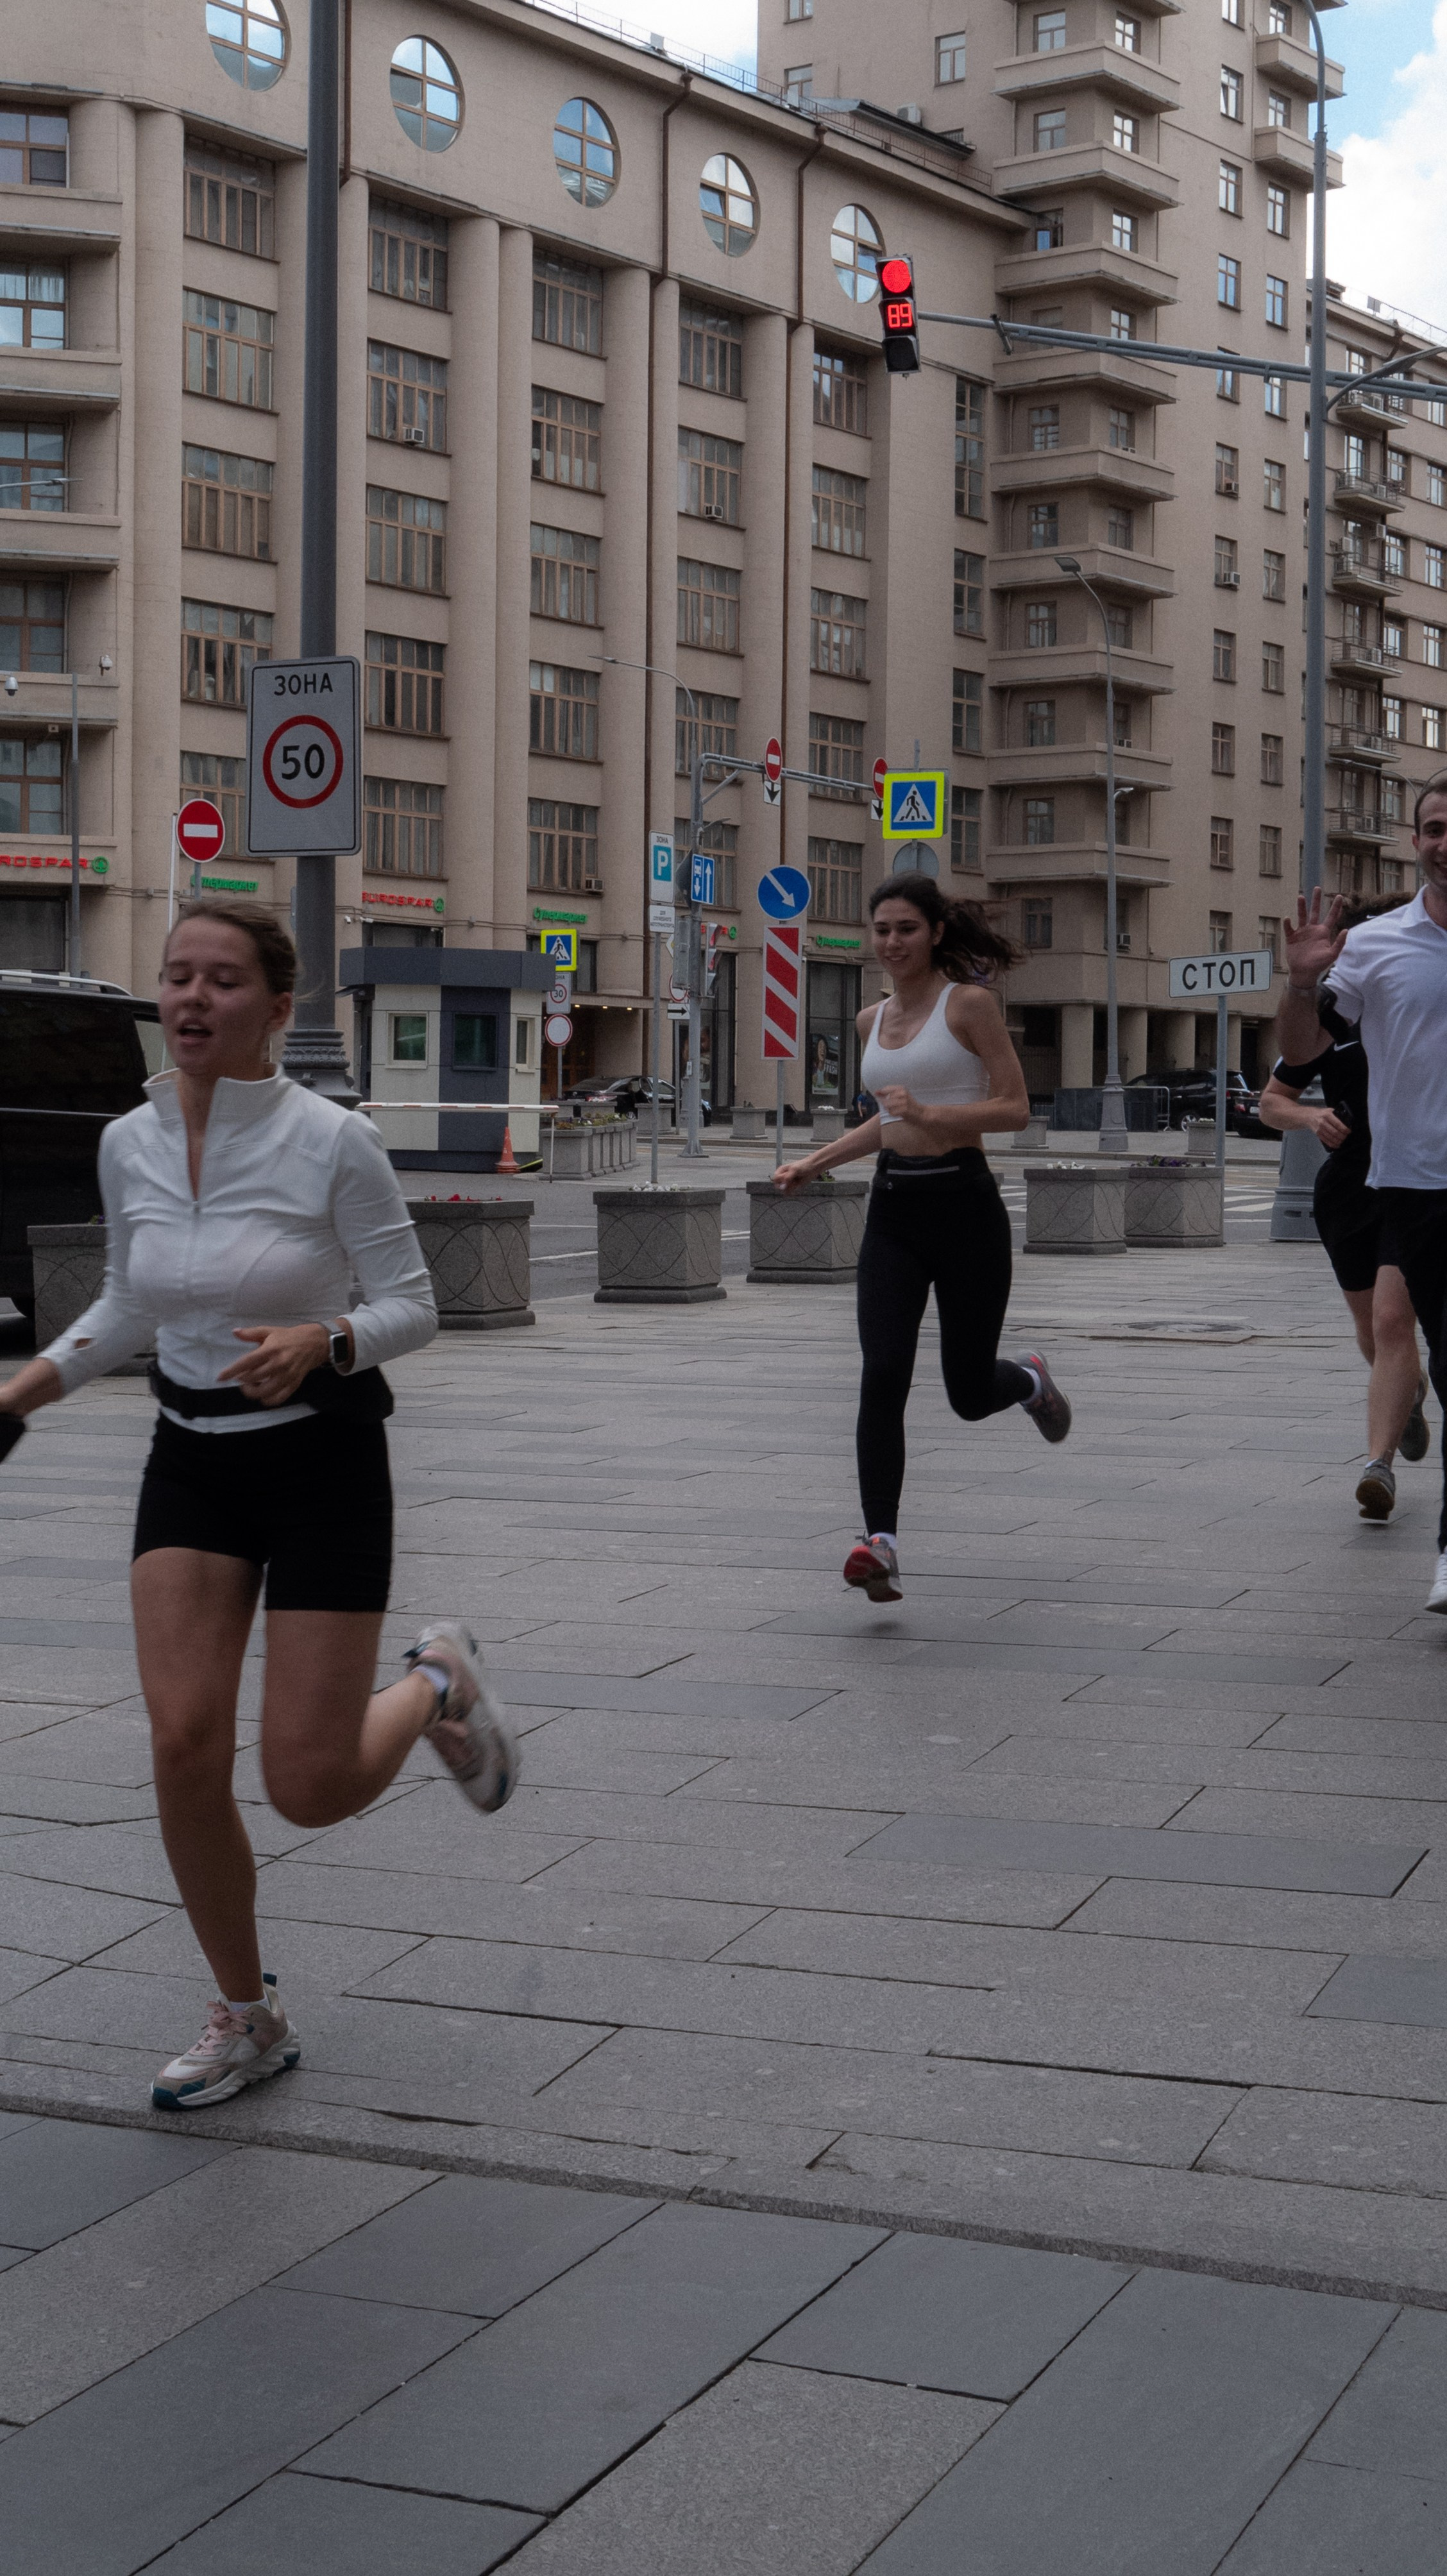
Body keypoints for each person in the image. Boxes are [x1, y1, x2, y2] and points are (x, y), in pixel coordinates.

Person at [0, 901, 518, 2108]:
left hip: (322, 1462)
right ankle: (248, 2012)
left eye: (222, 981)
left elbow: (414, 1305)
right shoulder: (127, 1140)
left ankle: (439, 1680)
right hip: (191, 1459)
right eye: (176, 977)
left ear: (279, 1010)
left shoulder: (331, 1140)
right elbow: (130, 1301)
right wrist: (25, 1390)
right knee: (182, 1745)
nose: (190, 999)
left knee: (309, 1785)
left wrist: (323, 1337)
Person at [774, 873, 1070, 1604]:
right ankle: (881, 1543)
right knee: (883, 1374)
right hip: (895, 1213)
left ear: (936, 931)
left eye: (906, 928)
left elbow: (1015, 1108)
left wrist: (934, 1116)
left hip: (966, 1208)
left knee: (969, 1393)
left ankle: (1028, 1379)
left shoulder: (968, 1003)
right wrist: (816, 1161)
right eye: (881, 929)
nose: (892, 941)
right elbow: (888, 1120)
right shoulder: (870, 1020)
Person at [1278, 777, 1447, 1606]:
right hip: (1402, 1185)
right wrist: (1304, 982)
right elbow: (1300, 1058)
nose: (1445, 842)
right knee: (1403, 1338)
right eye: (1434, 828)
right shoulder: (1379, 947)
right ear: (1414, 841)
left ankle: (1405, 1487)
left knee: (1416, 1335)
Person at [1258, 897, 1428, 1523]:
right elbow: (1275, 1096)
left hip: (1415, 1182)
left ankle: (1377, 1463)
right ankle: (1406, 1396)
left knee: (1390, 1320)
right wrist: (1309, 1115)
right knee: (1372, 1331)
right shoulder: (1336, 1019)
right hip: (1350, 1188)